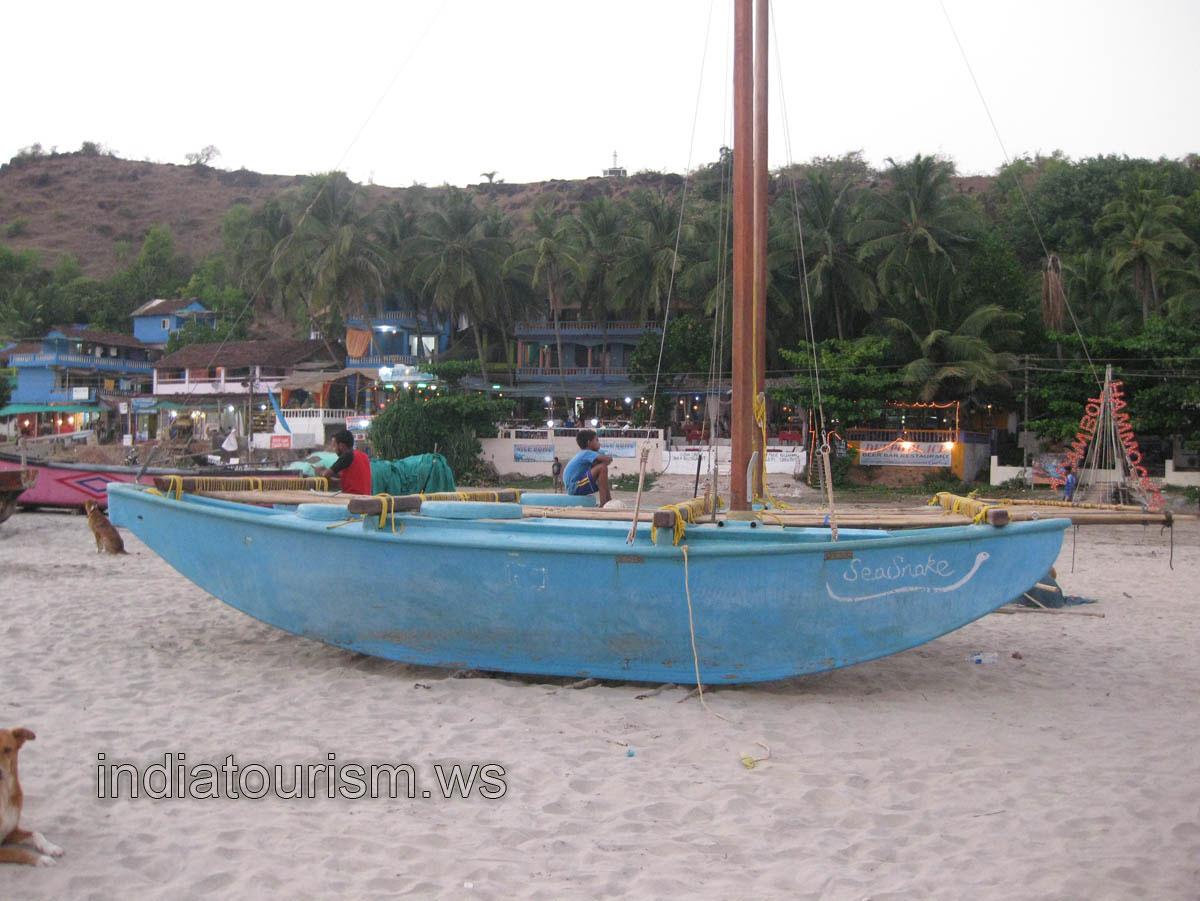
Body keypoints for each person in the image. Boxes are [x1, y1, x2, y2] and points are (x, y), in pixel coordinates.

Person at [562, 429, 612, 506]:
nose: (599, 443)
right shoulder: (586, 453)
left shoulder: (587, 454)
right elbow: (608, 459)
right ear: (589, 443)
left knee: (602, 469)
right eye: (596, 440)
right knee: (602, 468)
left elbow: (605, 460)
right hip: (574, 486)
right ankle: (604, 503)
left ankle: (609, 501)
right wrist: (605, 459)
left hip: (575, 486)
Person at [314, 429, 372, 495]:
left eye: (334, 446)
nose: (334, 450)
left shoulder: (347, 455)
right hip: (366, 497)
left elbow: (325, 474)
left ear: (341, 446)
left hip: (353, 499)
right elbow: (349, 479)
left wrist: (319, 471)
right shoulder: (364, 455)